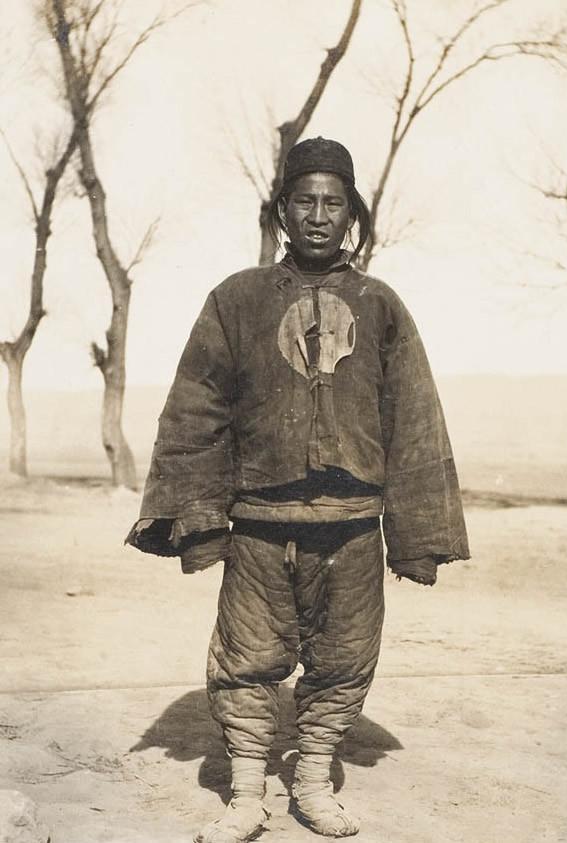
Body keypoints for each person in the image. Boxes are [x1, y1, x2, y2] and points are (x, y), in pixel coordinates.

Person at [126, 137, 469, 843]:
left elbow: (413, 419)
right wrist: (199, 518)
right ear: (282, 209)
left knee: (343, 658)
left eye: (332, 203)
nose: (318, 216)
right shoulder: (237, 299)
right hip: (260, 524)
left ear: (351, 213)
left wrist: (417, 538)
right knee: (247, 657)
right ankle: (247, 793)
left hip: (351, 525)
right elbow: (196, 408)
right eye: (304, 201)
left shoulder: (380, 304)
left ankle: (312, 781)